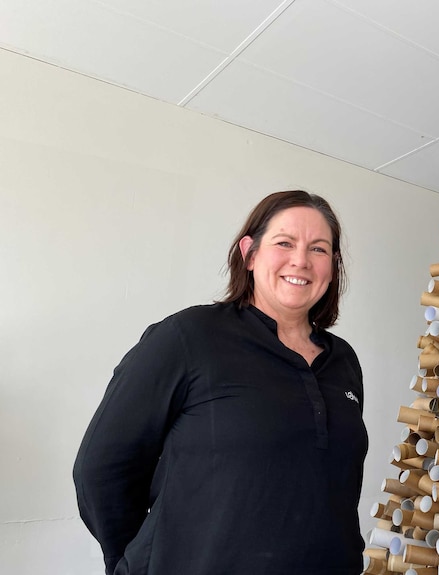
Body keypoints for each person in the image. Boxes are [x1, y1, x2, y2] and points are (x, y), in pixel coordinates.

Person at [73, 190, 368, 575]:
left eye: (319, 249)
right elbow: (101, 467)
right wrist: (138, 561)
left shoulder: (343, 360)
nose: (301, 260)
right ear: (250, 252)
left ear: (333, 265)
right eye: (284, 243)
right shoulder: (188, 337)